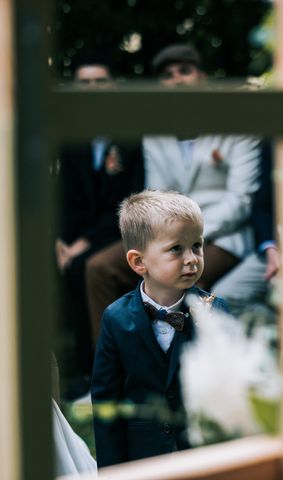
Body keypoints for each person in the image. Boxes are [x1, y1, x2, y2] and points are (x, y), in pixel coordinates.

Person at [85, 44, 260, 336]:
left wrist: (186, 235)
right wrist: (165, 236)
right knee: (98, 269)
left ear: (202, 77)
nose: (177, 79)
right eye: (168, 74)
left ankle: (173, 376)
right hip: (166, 231)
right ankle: (108, 371)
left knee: (178, 278)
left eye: (185, 71)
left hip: (222, 236)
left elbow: (240, 201)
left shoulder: (237, 124)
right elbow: (157, 193)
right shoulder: (156, 132)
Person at [91, 190, 229, 467]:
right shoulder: (116, 318)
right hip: (142, 459)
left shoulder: (214, 311)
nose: (191, 258)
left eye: (197, 246)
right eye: (176, 248)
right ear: (138, 262)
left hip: (202, 455)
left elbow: (226, 390)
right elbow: (106, 400)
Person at [56, 59, 144, 400]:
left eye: (100, 82)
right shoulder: (71, 139)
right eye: (84, 83)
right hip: (76, 237)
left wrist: (80, 245)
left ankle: (96, 371)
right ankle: (71, 369)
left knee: (83, 268)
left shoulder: (131, 137)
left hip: (120, 230)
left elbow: (131, 198)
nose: (92, 90)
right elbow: (63, 197)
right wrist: (59, 241)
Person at [213, 141, 279, 316]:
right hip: (273, 249)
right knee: (223, 296)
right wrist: (271, 247)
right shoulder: (271, 143)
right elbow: (261, 206)